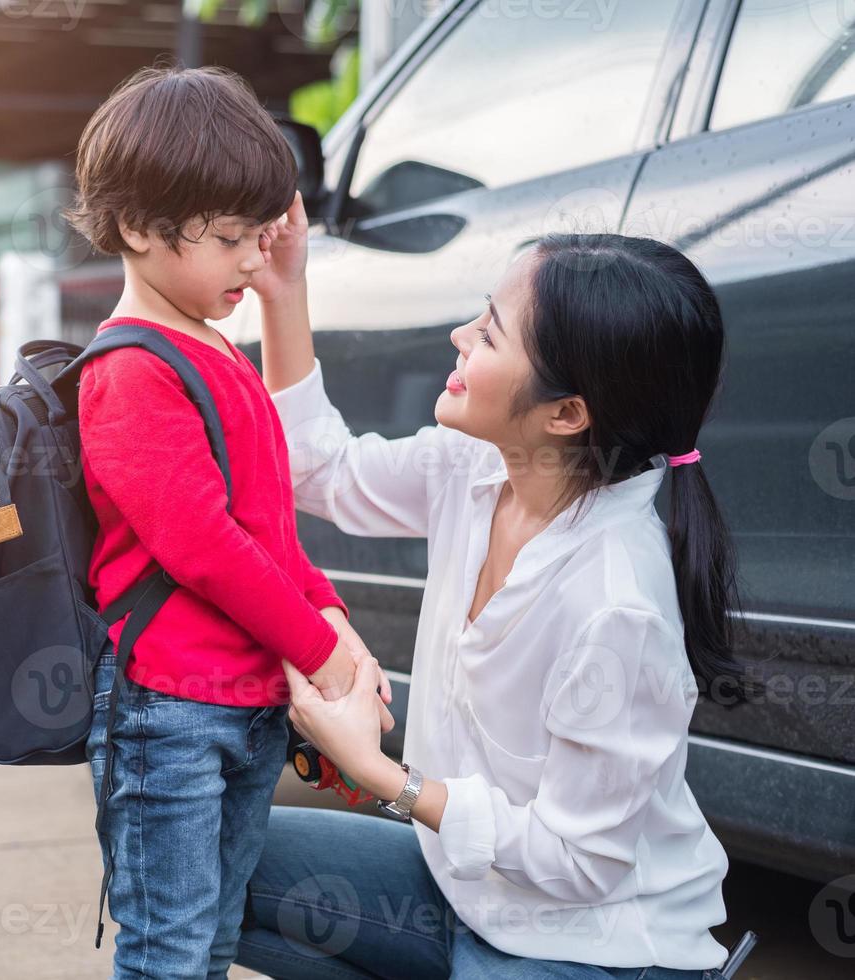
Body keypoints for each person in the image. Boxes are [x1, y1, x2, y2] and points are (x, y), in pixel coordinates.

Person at [235, 198, 752, 979]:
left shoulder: (618, 604)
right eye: (479, 317)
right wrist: (283, 289)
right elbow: (319, 469)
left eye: (488, 335)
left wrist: (382, 777)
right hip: (461, 891)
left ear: (567, 413)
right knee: (192, 862)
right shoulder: (473, 467)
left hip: (589, 943)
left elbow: (579, 862)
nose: (459, 338)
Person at [61, 65, 393, 979]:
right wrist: (324, 656)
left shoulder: (211, 347)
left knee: (209, 942)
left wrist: (334, 623)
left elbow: (268, 528)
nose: (252, 259)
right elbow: (205, 547)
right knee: (168, 951)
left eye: (258, 236)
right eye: (229, 239)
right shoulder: (129, 371)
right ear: (138, 227)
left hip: (243, 707)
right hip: (167, 714)